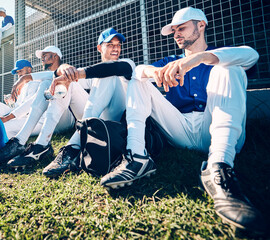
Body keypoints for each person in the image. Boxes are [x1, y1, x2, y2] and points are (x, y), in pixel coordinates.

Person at [99, 7, 264, 233]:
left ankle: (219, 167)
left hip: (216, 128)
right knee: (140, 77)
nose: (176, 34)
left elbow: (251, 55)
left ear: (201, 26)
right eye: (174, 31)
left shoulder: (220, 54)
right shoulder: (170, 61)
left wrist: (200, 59)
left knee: (229, 69)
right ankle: (137, 157)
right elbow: (137, 72)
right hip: (181, 129)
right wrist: (154, 72)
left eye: (182, 28)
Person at [40, 28, 136, 177]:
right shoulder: (94, 74)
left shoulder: (126, 63)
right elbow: (64, 75)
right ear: (99, 48)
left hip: (119, 121)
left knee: (109, 70)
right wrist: (64, 69)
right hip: (95, 121)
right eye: (110, 44)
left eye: (118, 44)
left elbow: (114, 68)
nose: (116, 48)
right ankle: (44, 144)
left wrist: (77, 73)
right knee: (70, 82)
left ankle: (72, 147)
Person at [0, 46, 76, 166]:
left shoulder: (67, 71)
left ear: (55, 56)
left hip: (65, 118)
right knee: (45, 82)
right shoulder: (41, 80)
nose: (42, 59)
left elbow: (56, 75)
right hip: (45, 120)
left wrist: (25, 78)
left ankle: (36, 143)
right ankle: (19, 141)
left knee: (53, 81)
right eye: (41, 57)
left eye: (45, 56)